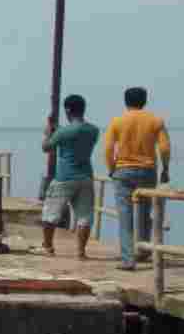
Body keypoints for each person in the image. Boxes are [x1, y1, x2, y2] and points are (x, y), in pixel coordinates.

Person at [104, 86, 172, 272]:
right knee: (144, 212)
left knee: (125, 215)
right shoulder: (155, 120)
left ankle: (128, 259)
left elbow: (108, 149)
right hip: (147, 170)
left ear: (125, 101)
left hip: (123, 171)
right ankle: (142, 250)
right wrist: (165, 169)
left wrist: (111, 169)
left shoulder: (117, 121)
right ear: (145, 100)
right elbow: (164, 148)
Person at [40, 94, 100, 259]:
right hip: (86, 176)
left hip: (64, 177)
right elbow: (73, 136)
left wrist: (47, 133)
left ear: (67, 110)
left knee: (50, 213)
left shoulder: (62, 132)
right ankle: (81, 252)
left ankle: (48, 247)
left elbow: (46, 147)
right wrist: (58, 130)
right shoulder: (93, 130)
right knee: (84, 217)